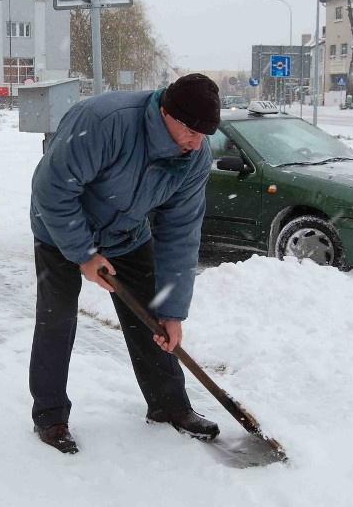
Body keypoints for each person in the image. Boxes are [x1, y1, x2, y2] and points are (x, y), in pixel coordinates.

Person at [29, 73, 222, 454]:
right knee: (58, 317)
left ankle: (169, 406)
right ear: (167, 111)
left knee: (152, 317)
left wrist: (173, 312)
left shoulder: (195, 154)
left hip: (127, 234)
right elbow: (52, 189)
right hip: (61, 228)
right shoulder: (104, 122)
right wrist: (83, 254)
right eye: (191, 131)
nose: (196, 143)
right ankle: (50, 415)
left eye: (205, 136)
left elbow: (180, 232)